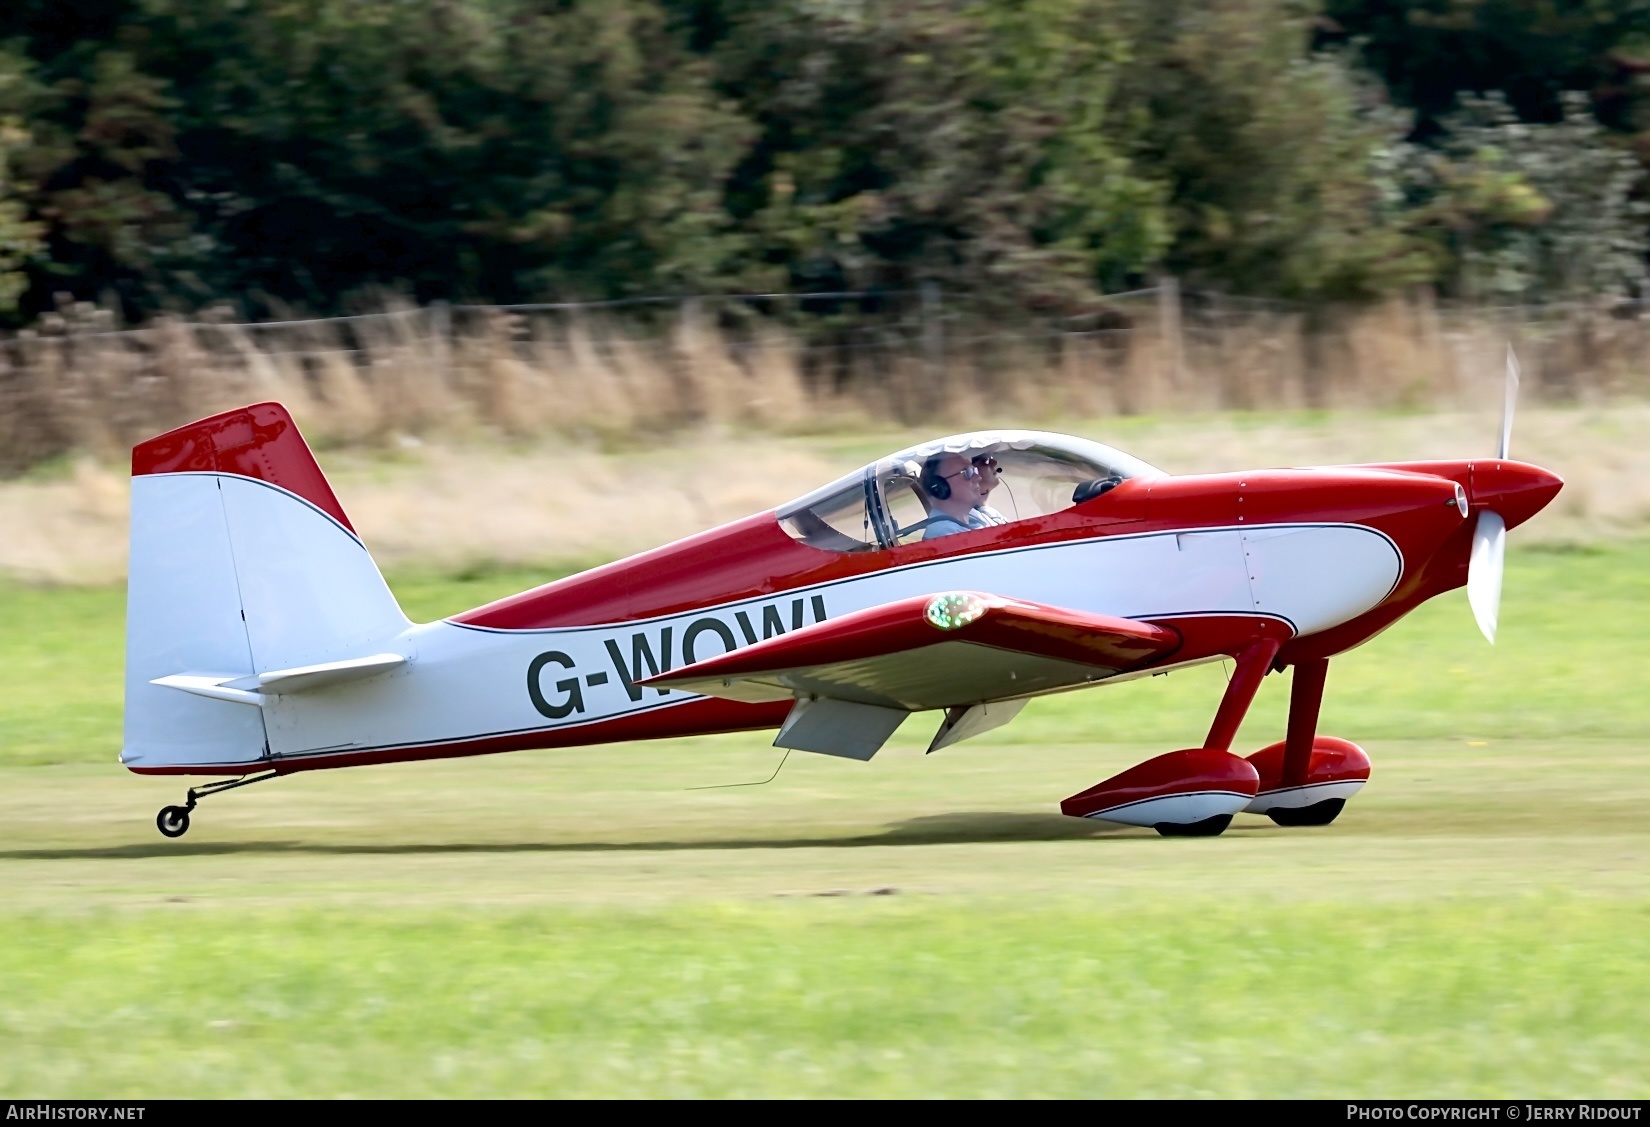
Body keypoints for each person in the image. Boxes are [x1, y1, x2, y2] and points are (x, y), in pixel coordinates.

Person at [919, 451, 1006, 539]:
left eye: (974, 470)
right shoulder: (944, 535)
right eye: (967, 473)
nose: (978, 478)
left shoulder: (972, 517)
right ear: (939, 487)